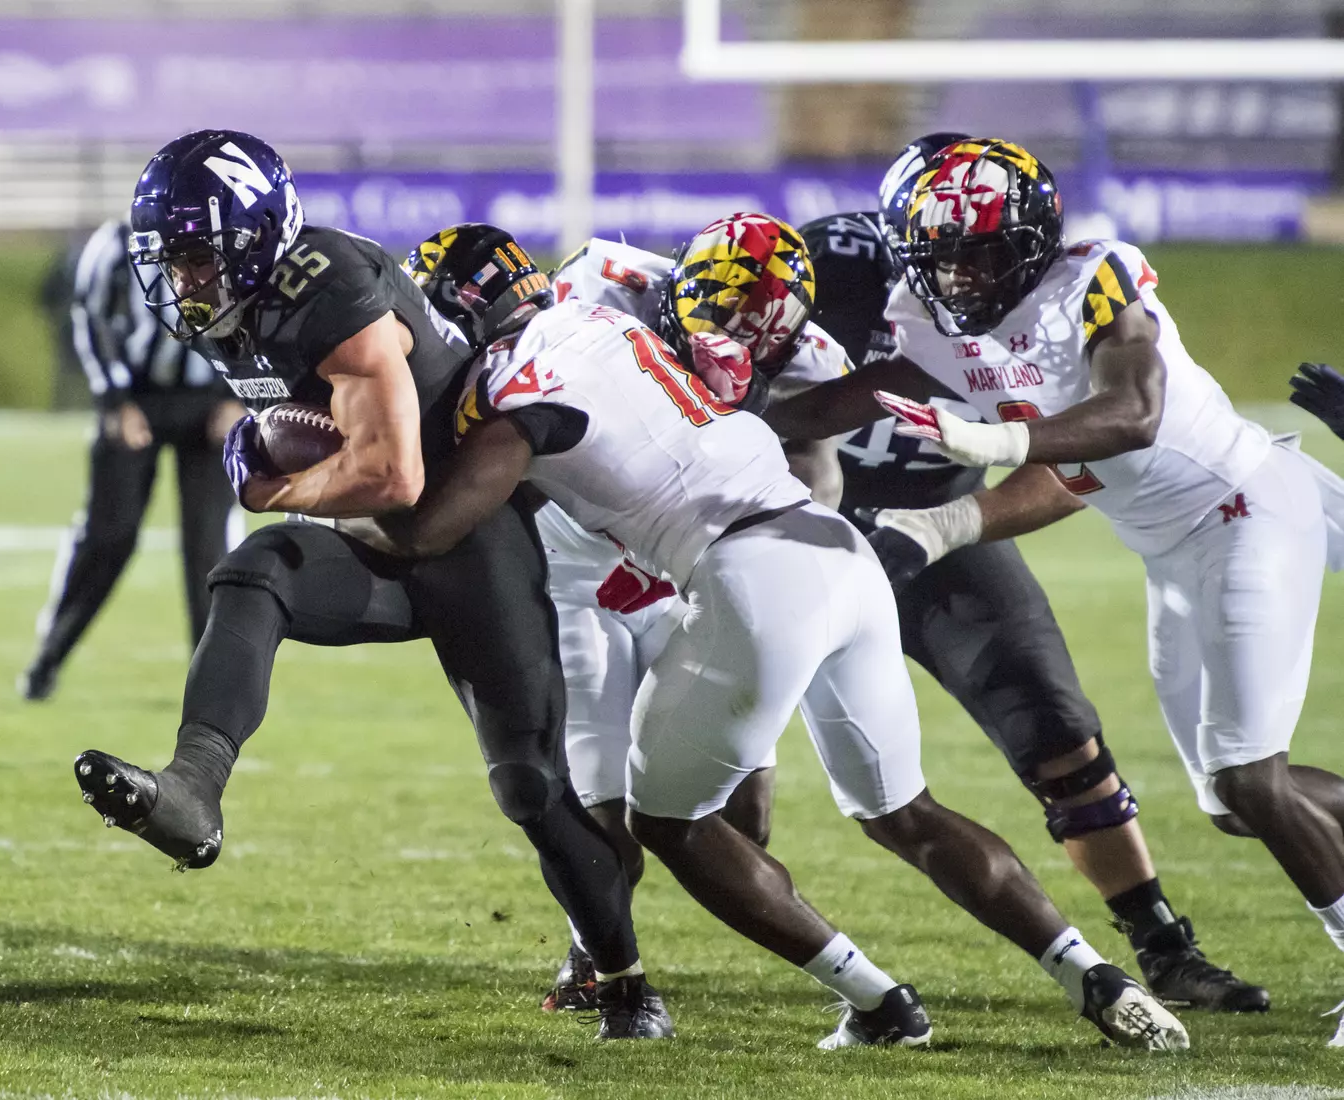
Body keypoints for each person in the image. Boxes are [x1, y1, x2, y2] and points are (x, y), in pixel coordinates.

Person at [348, 225, 1188, 1051]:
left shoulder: (512, 379)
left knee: (666, 822)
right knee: (906, 813)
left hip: (745, 575)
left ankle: (878, 1002)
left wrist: (317, 489)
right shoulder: (598, 315)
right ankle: (1095, 977)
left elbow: (429, 528)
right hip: (836, 552)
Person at [69, 130, 671, 1040]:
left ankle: (623, 981)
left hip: (470, 543)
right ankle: (193, 790)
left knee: (529, 786)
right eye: (172, 258)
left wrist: (274, 487)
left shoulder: (330, 285)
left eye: (197, 255)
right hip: (376, 544)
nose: (183, 279)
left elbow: (395, 474)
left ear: (256, 238)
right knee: (254, 572)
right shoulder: (232, 305)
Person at [774, 137, 1344, 1044]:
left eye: (981, 253)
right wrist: (715, 420)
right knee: (1232, 801)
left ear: (1032, 240)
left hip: (1244, 510)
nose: (960, 276)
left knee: (1249, 773)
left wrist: (1002, 446)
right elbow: (865, 393)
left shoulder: (1095, 276)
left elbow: (1134, 413)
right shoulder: (926, 320)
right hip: (1170, 550)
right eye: (941, 257)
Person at [412, 216, 845, 1013]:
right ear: (676, 290)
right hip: (578, 574)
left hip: (695, 575)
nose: (725, 341)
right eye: (711, 321)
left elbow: (816, 474)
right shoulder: (602, 286)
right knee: (604, 806)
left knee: (744, 815)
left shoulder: (810, 357)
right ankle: (597, 959)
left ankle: (802, 954)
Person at [19, 217, 246, 701]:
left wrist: (239, 397)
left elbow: (259, 318)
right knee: (109, 534)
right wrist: (114, 402)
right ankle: (49, 654)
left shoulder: (233, 241)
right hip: (137, 398)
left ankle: (213, 683)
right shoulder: (117, 243)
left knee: (210, 545)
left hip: (212, 402)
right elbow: (89, 317)